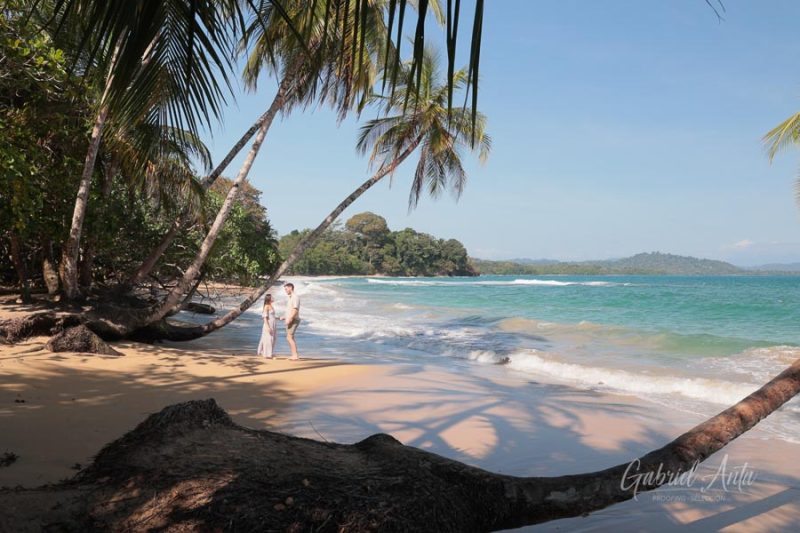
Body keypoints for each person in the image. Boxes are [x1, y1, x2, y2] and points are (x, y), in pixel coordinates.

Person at [279, 282, 301, 360]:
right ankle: (294, 354)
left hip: (293, 320)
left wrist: (290, 319)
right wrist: (285, 317)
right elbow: (290, 310)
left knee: (289, 337)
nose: (285, 290)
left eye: (286, 289)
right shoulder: (290, 297)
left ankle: (295, 355)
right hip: (291, 319)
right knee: (290, 337)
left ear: (291, 288)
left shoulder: (295, 297)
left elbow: (295, 310)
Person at [257, 293, 277, 359]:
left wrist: (279, 318)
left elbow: (272, 316)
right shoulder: (266, 306)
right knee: (268, 339)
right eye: (272, 297)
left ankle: (268, 353)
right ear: (269, 299)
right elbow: (265, 317)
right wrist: (268, 327)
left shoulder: (271, 306)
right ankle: (268, 354)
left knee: (272, 339)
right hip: (268, 324)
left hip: (273, 324)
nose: (273, 298)